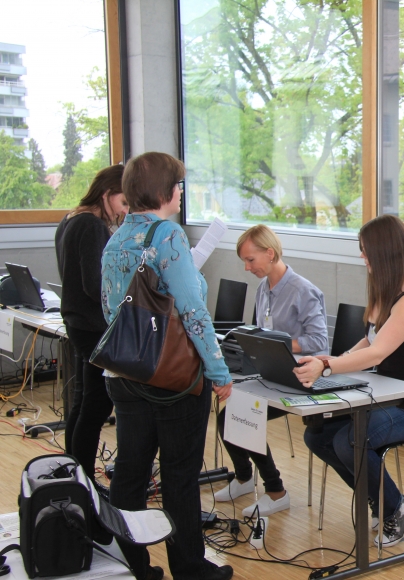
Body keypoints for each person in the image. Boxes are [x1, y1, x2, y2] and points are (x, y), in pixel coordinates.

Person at [101, 152, 234, 580]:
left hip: (126, 373)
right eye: (178, 185)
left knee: (130, 475)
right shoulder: (169, 235)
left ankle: (132, 565)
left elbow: (110, 309)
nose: (181, 192)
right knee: (179, 478)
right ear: (165, 191)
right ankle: (191, 569)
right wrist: (218, 372)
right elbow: (194, 312)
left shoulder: (117, 237)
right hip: (173, 379)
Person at [296, 214, 404, 548]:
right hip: (385, 396)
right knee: (316, 437)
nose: (363, 258)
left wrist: (329, 366)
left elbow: (377, 354)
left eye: (366, 252)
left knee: (349, 441)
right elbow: (368, 341)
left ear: (384, 252)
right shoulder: (385, 293)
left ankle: (395, 506)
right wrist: (329, 362)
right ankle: (380, 498)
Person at [214, 224, 328, 517]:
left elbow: (319, 341)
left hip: (299, 379)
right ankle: (244, 477)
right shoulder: (264, 289)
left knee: (241, 418)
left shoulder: (304, 290)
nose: (246, 267)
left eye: (251, 260)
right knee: (227, 418)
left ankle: (276, 491)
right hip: (270, 374)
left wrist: (277, 344)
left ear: (270, 252)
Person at [54, 165, 127, 483]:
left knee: (84, 404)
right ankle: (84, 482)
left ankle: (76, 476)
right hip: (93, 327)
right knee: (96, 408)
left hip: (79, 324)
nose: (125, 211)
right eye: (123, 202)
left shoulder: (69, 219)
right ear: (107, 194)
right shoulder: (92, 225)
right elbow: (95, 284)